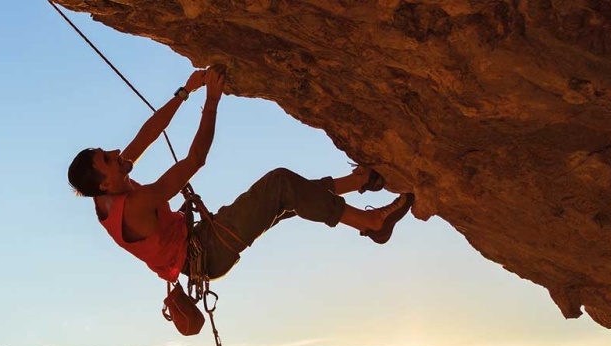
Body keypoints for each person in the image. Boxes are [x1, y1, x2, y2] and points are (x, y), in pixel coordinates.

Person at [66, 67, 415, 285]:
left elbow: (148, 134)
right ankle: (371, 223)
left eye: (107, 152)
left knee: (286, 197)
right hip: (207, 252)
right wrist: (212, 101)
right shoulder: (136, 204)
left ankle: (359, 182)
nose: (117, 154)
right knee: (279, 184)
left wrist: (185, 92)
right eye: (109, 159)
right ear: (105, 183)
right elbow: (195, 160)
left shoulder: (106, 191)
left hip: (198, 247)